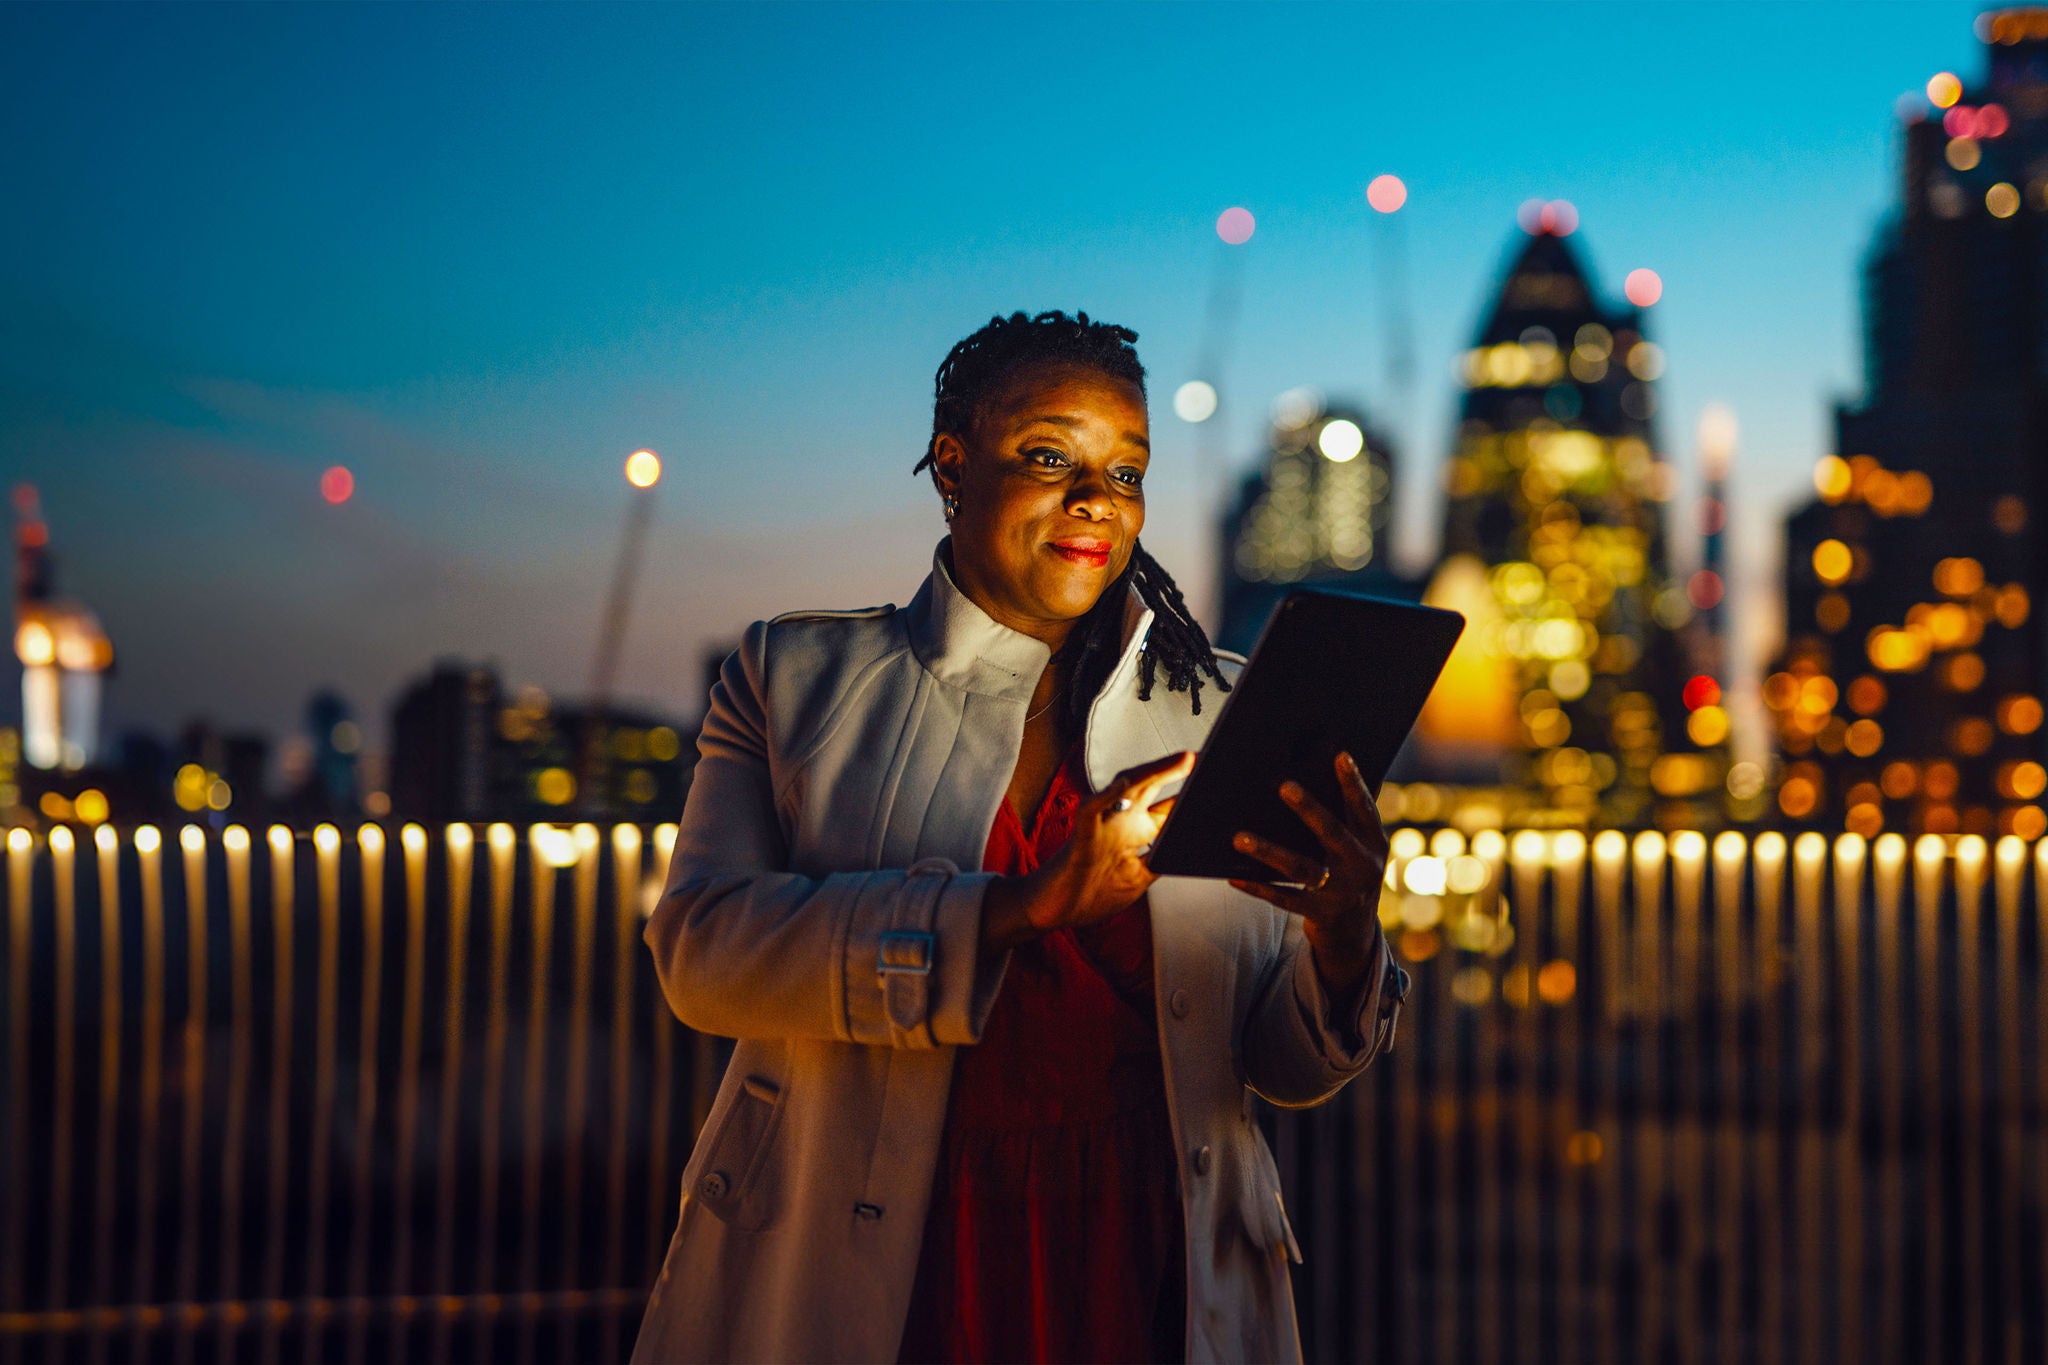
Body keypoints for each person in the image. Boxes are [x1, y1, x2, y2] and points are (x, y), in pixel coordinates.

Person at [632, 310, 1409, 1365]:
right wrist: (1023, 905)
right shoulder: (793, 679)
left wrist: (1343, 934)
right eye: (1049, 457)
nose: (1096, 499)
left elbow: (1280, 1063)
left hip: (1147, 1257)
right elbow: (704, 958)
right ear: (951, 466)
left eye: (1125, 472)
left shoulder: (1222, 711)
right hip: (887, 1259)